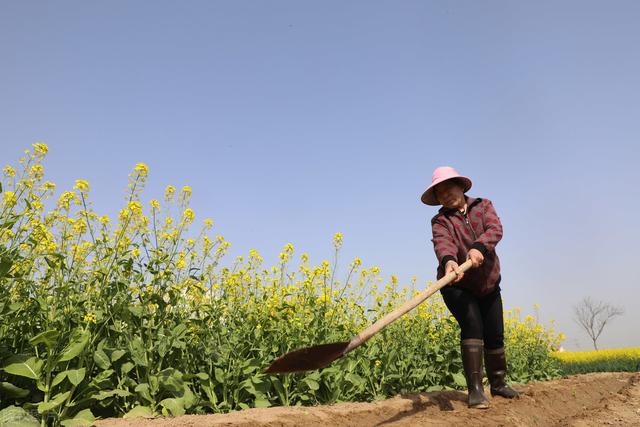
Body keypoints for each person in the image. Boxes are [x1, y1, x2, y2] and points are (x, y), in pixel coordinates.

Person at [420, 166, 520, 409]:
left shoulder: (484, 206)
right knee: (473, 325)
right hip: (458, 284)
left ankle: (498, 384)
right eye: (440, 192)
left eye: (449, 188)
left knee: (495, 331)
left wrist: (478, 247)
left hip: (488, 282)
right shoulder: (440, 220)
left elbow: (495, 229)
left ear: (461, 186)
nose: (445, 194)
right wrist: (450, 261)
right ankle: (475, 390)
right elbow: (443, 244)